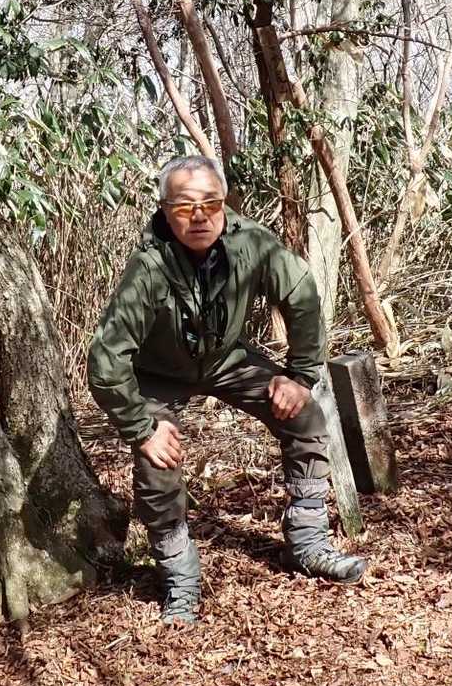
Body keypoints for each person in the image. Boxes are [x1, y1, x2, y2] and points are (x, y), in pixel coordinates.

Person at [86, 155, 367, 624]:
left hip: (224, 359)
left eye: (210, 202)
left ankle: (308, 542)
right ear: (165, 210)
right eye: (184, 205)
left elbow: (300, 293)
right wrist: (142, 428)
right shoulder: (149, 267)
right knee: (159, 462)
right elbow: (106, 358)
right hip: (158, 374)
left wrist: (300, 375)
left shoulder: (250, 243)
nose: (199, 216)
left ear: (223, 203)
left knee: (304, 416)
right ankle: (179, 577)